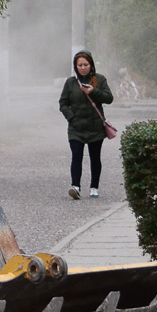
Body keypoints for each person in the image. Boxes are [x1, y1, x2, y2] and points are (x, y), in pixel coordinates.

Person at [58, 50, 114, 200]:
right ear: (76, 67)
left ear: (91, 65)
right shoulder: (70, 82)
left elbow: (109, 98)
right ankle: (75, 186)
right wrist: (72, 118)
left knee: (95, 157)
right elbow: (63, 103)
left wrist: (94, 91)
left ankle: (94, 187)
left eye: (86, 64)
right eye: (80, 65)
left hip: (95, 127)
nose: (83, 67)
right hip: (76, 128)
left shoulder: (99, 80)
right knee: (76, 156)